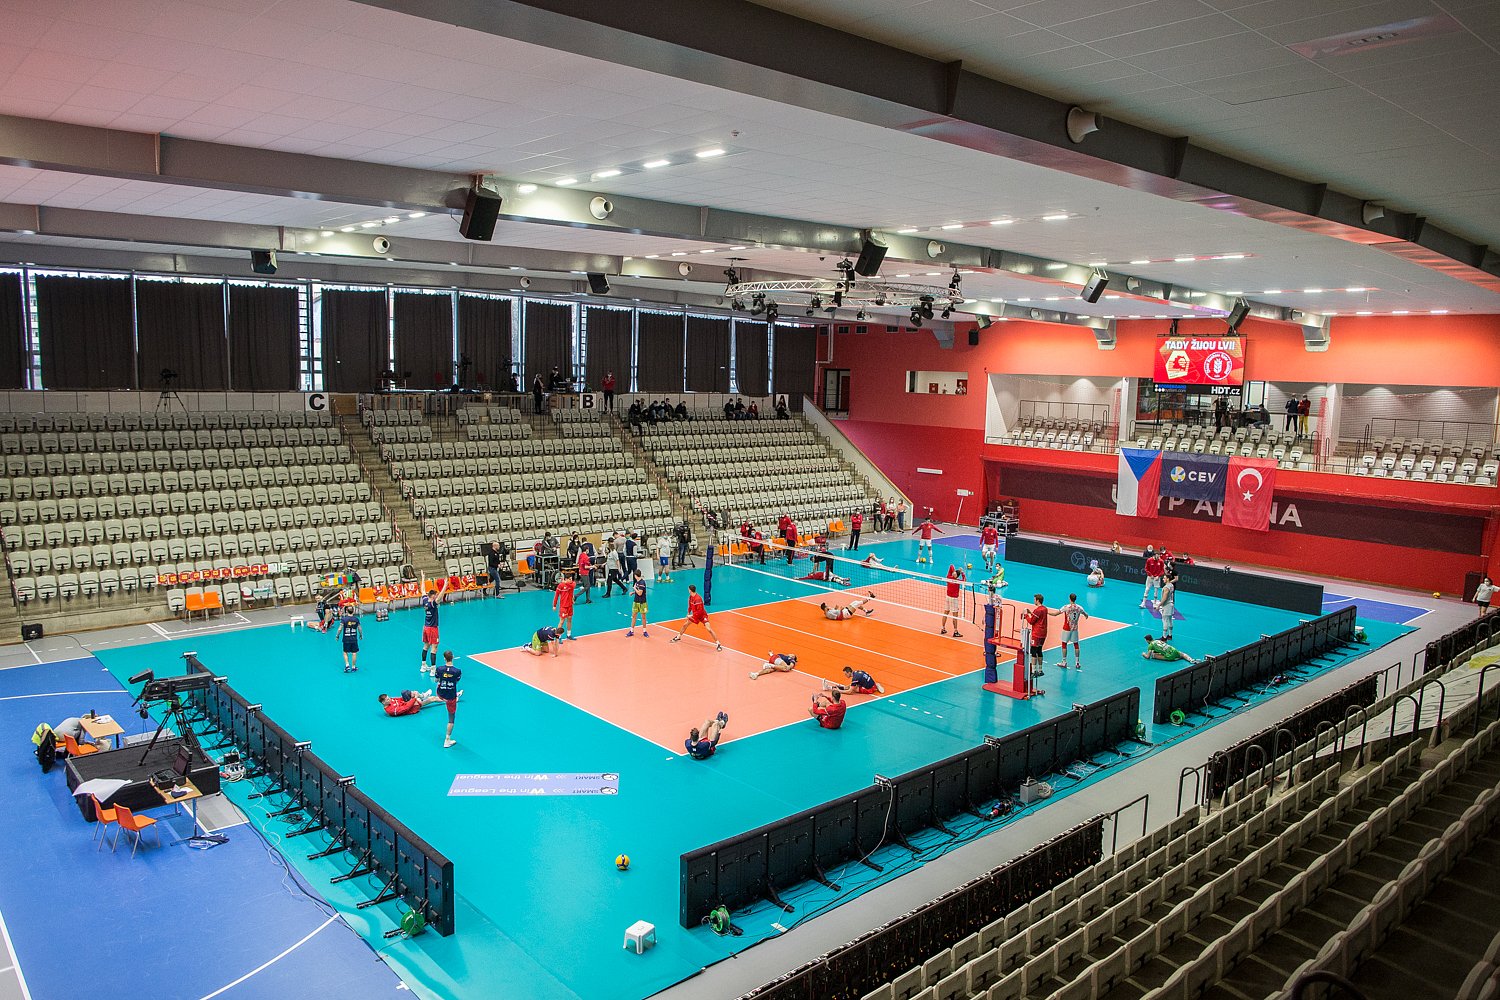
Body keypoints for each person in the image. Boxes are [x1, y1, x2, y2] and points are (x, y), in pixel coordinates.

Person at [670, 584, 722, 649]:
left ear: (690, 590)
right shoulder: (690, 597)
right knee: (685, 625)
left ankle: (718, 643)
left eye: (688, 589)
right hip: (695, 615)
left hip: (702, 616)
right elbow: (690, 606)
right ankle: (678, 637)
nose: (688, 590)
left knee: (709, 629)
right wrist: (688, 613)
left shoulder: (698, 599)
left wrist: (691, 615)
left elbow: (700, 611)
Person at [1020, 594, 1055, 679]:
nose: (1034, 601)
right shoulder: (1045, 609)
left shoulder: (1037, 610)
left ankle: (1033, 671)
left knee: (1033, 651)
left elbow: (1031, 621)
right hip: (1043, 633)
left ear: (1037, 600)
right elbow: (1038, 617)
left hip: (1036, 634)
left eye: (1034, 599)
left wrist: (1026, 615)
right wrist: (1031, 613)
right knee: (1039, 650)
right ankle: (1040, 670)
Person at [434, 650, 462, 747]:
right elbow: (456, 682)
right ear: (453, 657)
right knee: (451, 719)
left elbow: (436, 680)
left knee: (440, 693)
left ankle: (445, 698)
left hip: (440, 693)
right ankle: (447, 740)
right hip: (451, 697)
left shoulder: (439, 669)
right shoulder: (457, 671)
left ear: (444, 658)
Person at [419, 581, 448, 674]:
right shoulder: (432, 604)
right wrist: (445, 585)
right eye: (435, 595)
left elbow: (422, 590)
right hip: (432, 628)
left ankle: (423, 666)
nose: (436, 596)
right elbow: (440, 597)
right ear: (432, 596)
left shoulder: (425, 601)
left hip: (426, 627)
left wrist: (423, 578)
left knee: (426, 646)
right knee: (434, 648)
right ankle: (433, 669)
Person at [1056, 593, 1089, 670]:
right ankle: (1077, 663)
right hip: (1075, 629)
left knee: (1064, 644)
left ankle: (1064, 662)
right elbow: (1085, 614)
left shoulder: (1066, 607)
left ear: (1069, 598)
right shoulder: (1079, 608)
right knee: (1076, 644)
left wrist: (1047, 612)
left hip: (1066, 628)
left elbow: (1056, 614)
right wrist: (1086, 616)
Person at [378, 688, 462, 717]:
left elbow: (400, 698)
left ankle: (422, 696)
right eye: (388, 699)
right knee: (432, 698)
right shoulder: (391, 710)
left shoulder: (391, 700)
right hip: (412, 708)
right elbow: (406, 708)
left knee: (404, 692)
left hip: (408, 702)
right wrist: (414, 698)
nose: (390, 699)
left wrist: (411, 695)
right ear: (383, 702)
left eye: (389, 697)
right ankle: (453, 698)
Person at [939, 564, 965, 637]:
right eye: (954, 572)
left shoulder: (948, 577)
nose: (953, 573)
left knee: (945, 613)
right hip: (954, 599)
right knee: (955, 616)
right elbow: (964, 580)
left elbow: (951, 566)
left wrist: (955, 571)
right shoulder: (958, 581)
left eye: (955, 573)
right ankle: (955, 631)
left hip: (948, 597)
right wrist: (962, 572)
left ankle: (943, 628)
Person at [553, 569, 577, 640]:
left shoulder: (572, 584)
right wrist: (554, 605)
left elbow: (573, 586)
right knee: (562, 621)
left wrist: (566, 582)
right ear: (566, 579)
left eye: (571, 579)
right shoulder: (560, 585)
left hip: (570, 606)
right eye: (570, 579)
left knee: (569, 620)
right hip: (563, 606)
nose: (571, 580)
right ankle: (558, 636)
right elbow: (556, 595)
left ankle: (569, 635)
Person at [627, 570, 650, 637]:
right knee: (634, 616)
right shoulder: (637, 582)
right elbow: (638, 591)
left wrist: (634, 588)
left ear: (635, 576)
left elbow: (640, 593)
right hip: (636, 601)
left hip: (642, 602)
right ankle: (631, 631)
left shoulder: (642, 583)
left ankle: (644, 631)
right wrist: (633, 592)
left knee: (643, 617)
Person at [339, 606, 362, 672]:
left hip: (346, 639)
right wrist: (361, 634)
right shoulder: (356, 619)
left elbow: (340, 629)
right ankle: (353, 667)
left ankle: (347, 666)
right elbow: (359, 628)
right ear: (353, 611)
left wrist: (337, 635)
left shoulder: (344, 619)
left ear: (346, 611)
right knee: (354, 653)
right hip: (354, 639)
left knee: (345, 652)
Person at [1157, 574, 1178, 640]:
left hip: (1167, 605)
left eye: (1164, 578)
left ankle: (1164, 637)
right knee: (1170, 620)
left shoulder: (1166, 587)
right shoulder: (1171, 585)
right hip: (1171, 604)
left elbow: (1164, 598)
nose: (1163, 579)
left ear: (1168, 579)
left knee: (1165, 620)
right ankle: (1170, 635)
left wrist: (1159, 605)